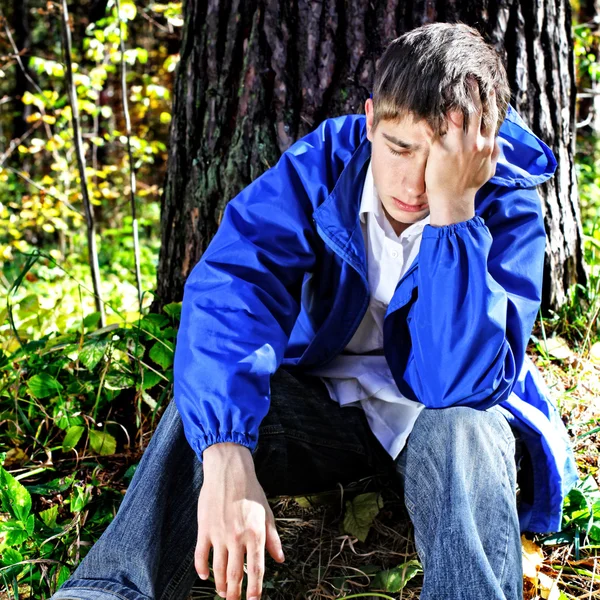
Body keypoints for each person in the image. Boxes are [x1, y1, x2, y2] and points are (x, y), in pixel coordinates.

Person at [52, 22, 578, 600]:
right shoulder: (326, 163)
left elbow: (457, 383)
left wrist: (455, 213)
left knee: (467, 428)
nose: (413, 181)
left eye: (438, 161)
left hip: (439, 419)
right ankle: (108, 590)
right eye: (399, 148)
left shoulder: (505, 201)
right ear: (372, 118)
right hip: (326, 408)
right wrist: (227, 453)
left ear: (481, 149)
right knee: (205, 406)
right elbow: (235, 287)